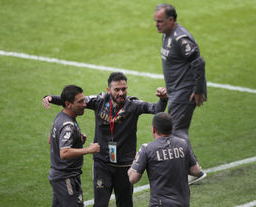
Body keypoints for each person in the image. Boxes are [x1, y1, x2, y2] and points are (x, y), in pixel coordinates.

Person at [43, 72, 168, 207]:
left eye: (124, 89)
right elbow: (74, 100)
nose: (121, 93)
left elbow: (156, 109)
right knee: (100, 204)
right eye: (117, 89)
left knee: (125, 204)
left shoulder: (134, 105)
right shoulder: (99, 101)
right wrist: (50, 98)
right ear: (109, 90)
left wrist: (163, 99)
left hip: (124, 166)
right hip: (102, 165)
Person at [154, 3, 207, 184]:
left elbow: (198, 63)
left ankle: (194, 171)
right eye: (155, 21)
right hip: (176, 90)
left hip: (186, 92)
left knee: (176, 130)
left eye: (160, 21)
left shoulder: (181, 37)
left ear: (171, 20)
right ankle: (191, 170)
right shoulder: (167, 35)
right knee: (175, 130)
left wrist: (199, 90)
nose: (156, 25)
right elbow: (178, 66)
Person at [128, 112, 200, 207]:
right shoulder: (183, 144)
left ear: (154, 129)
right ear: (172, 128)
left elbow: (132, 178)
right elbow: (196, 171)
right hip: (183, 203)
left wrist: (135, 161)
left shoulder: (147, 149)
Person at [48, 85, 100, 207]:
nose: (85, 105)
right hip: (66, 179)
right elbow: (64, 153)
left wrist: (76, 140)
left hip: (59, 176)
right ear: (68, 104)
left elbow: (51, 140)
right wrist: (89, 149)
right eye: (80, 102)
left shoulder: (60, 116)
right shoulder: (68, 125)